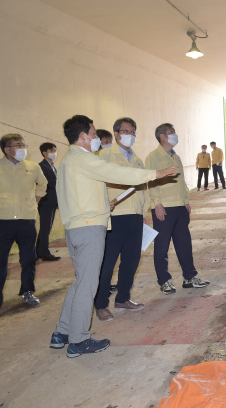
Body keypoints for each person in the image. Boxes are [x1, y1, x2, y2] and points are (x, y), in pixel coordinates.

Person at [50, 115, 178, 357]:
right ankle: (78, 340)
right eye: (94, 133)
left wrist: (102, 204)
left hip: (77, 226)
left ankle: (62, 332)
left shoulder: (70, 161)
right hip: (88, 229)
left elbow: (78, 195)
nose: (97, 138)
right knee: (88, 285)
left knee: (80, 283)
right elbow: (115, 173)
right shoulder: (83, 158)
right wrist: (154, 174)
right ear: (83, 136)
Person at [94, 117, 150, 322]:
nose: (130, 135)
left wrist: (143, 212)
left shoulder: (136, 159)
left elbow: (143, 187)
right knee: (108, 263)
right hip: (114, 216)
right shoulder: (104, 156)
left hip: (135, 216)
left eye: (133, 132)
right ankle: (101, 304)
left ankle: (123, 299)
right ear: (116, 133)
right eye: (126, 131)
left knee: (131, 260)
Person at [145, 123, 210, 295]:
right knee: (162, 246)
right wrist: (156, 203)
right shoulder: (153, 157)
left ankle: (190, 277)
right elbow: (151, 181)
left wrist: (186, 200)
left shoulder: (176, 157)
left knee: (184, 244)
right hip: (164, 208)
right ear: (162, 137)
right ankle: (164, 280)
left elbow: (181, 182)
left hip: (180, 207)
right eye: (171, 132)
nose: (175, 135)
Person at [0, 134, 47, 324]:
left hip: (26, 221)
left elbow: (43, 185)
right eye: (17, 145)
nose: (22, 148)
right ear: (7, 150)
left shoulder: (32, 167)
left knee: (29, 259)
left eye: (23, 144)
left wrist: (34, 202)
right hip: (1, 222)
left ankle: (27, 292)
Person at [36, 142, 61, 262]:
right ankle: (44, 253)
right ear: (44, 153)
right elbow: (46, 184)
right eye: (51, 151)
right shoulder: (41, 166)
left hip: (52, 201)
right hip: (45, 202)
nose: (54, 153)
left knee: (46, 228)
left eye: (55, 150)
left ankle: (39, 252)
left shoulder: (52, 166)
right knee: (45, 228)